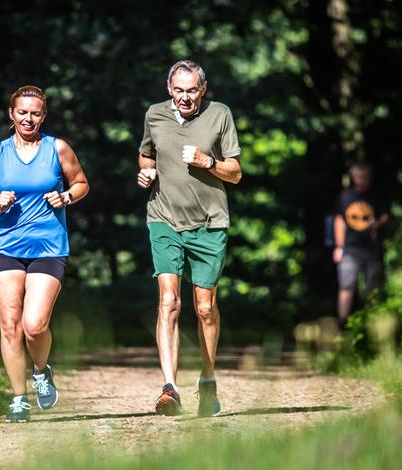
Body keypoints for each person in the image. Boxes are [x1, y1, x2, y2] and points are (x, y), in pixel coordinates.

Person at [0, 85, 89, 423]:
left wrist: (65, 197)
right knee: (10, 327)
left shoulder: (57, 149)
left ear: (43, 116)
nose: (28, 118)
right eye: (22, 112)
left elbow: (81, 183)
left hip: (48, 246)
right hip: (7, 245)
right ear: (11, 114)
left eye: (35, 113)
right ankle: (18, 399)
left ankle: (41, 371)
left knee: (34, 326)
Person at [136, 60, 243, 417]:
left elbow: (236, 173)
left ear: (203, 88)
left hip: (210, 223)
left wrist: (207, 161)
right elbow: (145, 154)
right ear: (170, 88)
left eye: (192, 90)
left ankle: (208, 381)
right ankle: (169, 388)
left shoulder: (220, 115)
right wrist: (145, 173)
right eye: (179, 90)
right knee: (168, 301)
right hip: (163, 219)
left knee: (204, 308)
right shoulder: (154, 115)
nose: (185, 97)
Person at [332, 161, 389, 327]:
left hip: (372, 250)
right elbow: (339, 220)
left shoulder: (377, 196)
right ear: (353, 177)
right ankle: (343, 325)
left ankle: (374, 327)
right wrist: (339, 247)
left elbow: (386, 216)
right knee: (346, 285)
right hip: (350, 250)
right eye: (358, 177)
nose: (361, 180)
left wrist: (377, 224)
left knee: (373, 289)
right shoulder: (346, 196)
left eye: (365, 177)